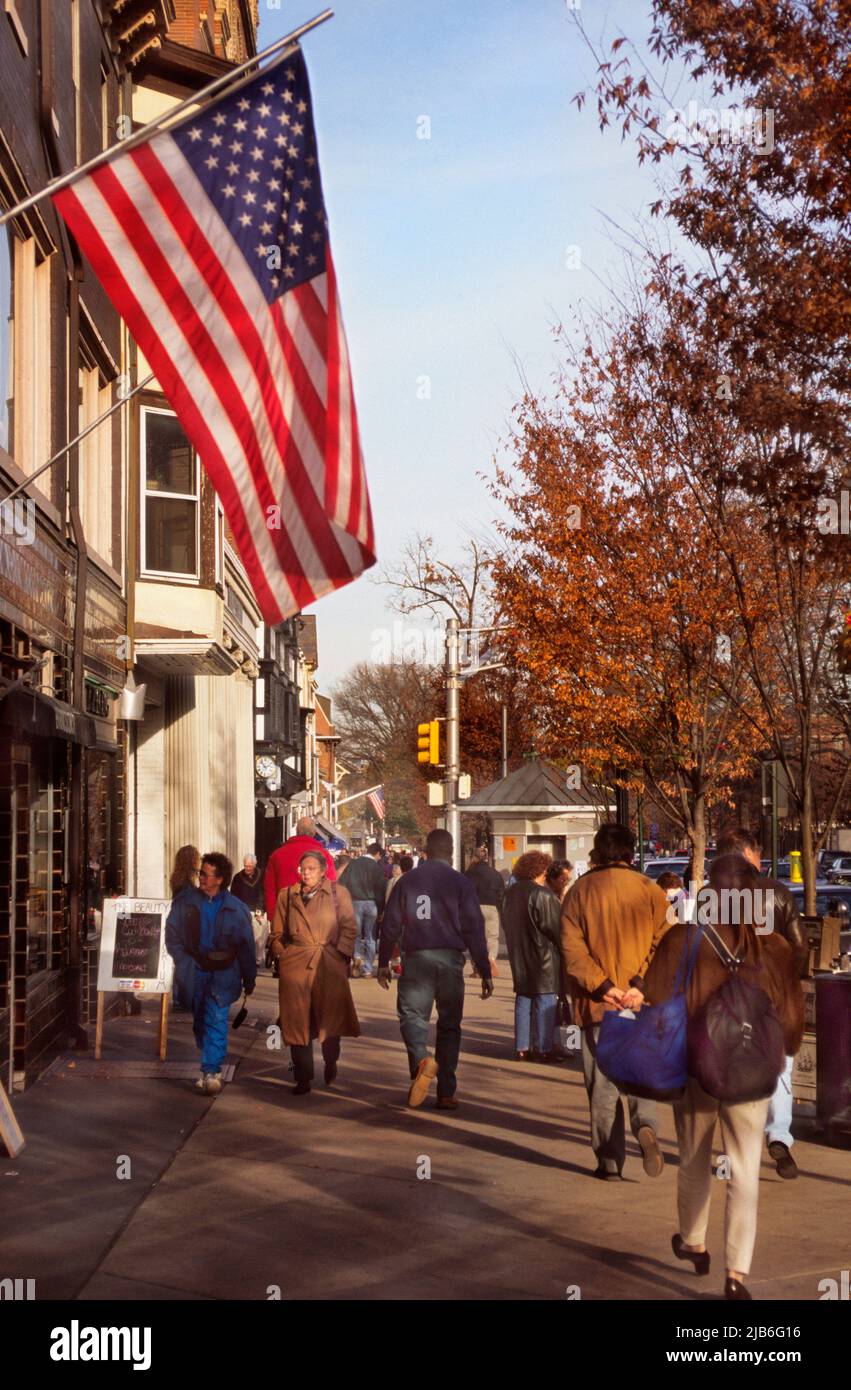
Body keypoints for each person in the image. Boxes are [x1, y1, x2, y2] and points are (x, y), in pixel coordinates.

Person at [644, 853, 804, 1300]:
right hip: (752, 1070)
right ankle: (737, 1274)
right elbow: (792, 1019)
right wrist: (782, 1051)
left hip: (697, 1066)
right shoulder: (773, 947)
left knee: (694, 1156)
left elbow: (655, 1002)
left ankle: (693, 1241)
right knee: (745, 1169)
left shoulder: (683, 940)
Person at [561, 822, 672, 1180]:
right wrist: (639, 986)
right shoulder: (651, 890)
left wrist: (604, 986)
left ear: (597, 852)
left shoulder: (579, 892)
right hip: (640, 1003)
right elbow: (666, 944)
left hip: (598, 1005)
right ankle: (647, 1126)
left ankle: (609, 1162)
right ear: (629, 852)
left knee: (602, 1085)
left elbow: (571, 950)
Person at [715, 825, 807, 1180]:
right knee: (781, 1068)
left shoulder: (713, 896)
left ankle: (735, 1149)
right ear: (747, 854)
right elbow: (799, 946)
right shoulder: (778, 892)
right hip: (773, 998)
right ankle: (779, 1134)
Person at [378, 827, 493, 1109]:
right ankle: (446, 1092)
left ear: (426, 851)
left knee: (412, 1016)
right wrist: (484, 968)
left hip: (417, 958)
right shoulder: (461, 883)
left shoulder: (407, 881)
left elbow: (391, 923)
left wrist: (382, 962)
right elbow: (474, 928)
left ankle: (421, 1059)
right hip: (451, 960)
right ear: (452, 852)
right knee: (450, 1025)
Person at [269, 850, 360, 1095]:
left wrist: (341, 956)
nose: (306, 873)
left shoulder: (337, 893)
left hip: (328, 963)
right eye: (303, 868)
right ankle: (302, 1078)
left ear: (322, 871)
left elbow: (350, 927)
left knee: (330, 1021)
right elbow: (276, 932)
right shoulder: (287, 895)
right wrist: (282, 953)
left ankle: (331, 1061)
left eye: (311, 868)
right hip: (296, 965)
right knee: (297, 1022)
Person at [165, 853, 256, 1095]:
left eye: (207, 875)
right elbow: (172, 934)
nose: (202, 878)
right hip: (194, 971)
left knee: (216, 1019)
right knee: (200, 1022)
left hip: (224, 974)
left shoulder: (236, 910)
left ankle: (211, 1071)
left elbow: (247, 947)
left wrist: (249, 979)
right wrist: (182, 959)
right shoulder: (185, 901)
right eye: (200, 874)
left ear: (220, 879)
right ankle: (208, 1060)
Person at [502, 851, 563, 1061]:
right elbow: (556, 929)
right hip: (543, 957)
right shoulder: (543, 895)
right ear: (542, 870)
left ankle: (522, 1047)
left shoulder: (509, 894)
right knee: (546, 1000)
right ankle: (544, 1048)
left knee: (524, 998)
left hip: (519, 955)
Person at [264, 817, 336, 920]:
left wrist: (273, 917)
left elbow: (269, 889)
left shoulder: (277, 855)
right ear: (314, 833)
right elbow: (331, 887)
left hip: (285, 917)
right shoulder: (323, 855)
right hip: (315, 918)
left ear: (297, 831)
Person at [339, 842, 386, 979]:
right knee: (371, 937)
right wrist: (381, 909)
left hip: (355, 902)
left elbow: (342, 882)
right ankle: (368, 970)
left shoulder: (353, 864)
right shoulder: (377, 868)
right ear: (377, 853)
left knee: (356, 935)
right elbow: (381, 889)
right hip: (372, 904)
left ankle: (357, 957)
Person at [464, 845, 504, 978]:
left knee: (475, 937)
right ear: (487, 858)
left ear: (475, 858)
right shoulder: (495, 873)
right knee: (492, 937)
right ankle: (491, 958)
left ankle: (477, 968)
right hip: (491, 907)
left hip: (474, 907)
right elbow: (501, 892)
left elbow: (463, 891)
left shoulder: (469, 873)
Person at [231, 853, 267, 967]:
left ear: (254, 865)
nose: (247, 868)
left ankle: (258, 959)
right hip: (243, 911)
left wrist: (259, 910)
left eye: (250, 866)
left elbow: (263, 893)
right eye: (246, 866)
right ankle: (247, 959)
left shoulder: (262, 875)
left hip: (258, 910)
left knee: (259, 935)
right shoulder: (238, 878)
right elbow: (234, 896)